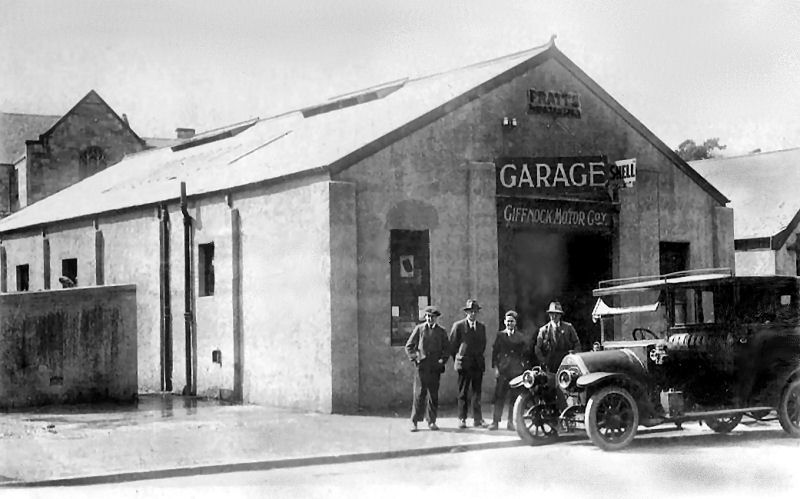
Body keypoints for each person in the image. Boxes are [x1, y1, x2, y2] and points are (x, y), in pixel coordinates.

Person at [405, 305, 450, 432]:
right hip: (422, 367)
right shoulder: (419, 329)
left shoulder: (441, 331)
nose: (430, 319)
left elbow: (447, 348)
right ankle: (414, 422)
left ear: (436, 318)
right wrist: (415, 358)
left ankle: (431, 421)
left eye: (433, 317)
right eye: (428, 317)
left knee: (433, 395)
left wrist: (442, 360)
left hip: (435, 368)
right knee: (419, 394)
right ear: (425, 317)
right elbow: (409, 346)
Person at [489, 310, 535, 430]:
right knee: (499, 396)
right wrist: (496, 368)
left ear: (515, 323)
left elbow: (525, 354)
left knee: (514, 398)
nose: (509, 323)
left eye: (512, 321)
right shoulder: (500, 335)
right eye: (508, 321)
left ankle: (511, 422)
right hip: (503, 370)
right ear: (504, 322)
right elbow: (495, 353)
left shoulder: (520, 337)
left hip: (516, 371)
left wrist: (523, 367)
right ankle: (495, 422)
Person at [449, 299, 487, 429]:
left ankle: (477, 419)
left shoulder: (481, 327)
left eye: (475, 311)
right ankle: (462, 418)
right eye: (470, 311)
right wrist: (458, 360)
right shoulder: (458, 326)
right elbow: (452, 346)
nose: (473, 314)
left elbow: (483, 345)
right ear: (466, 312)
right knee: (463, 393)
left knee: (477, 392)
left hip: (477, 365)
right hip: (464, 365)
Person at [535, 301, 581, 373]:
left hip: (566, 363)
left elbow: (577, 343)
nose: (554, 316)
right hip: (550, 365)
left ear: (560, 315)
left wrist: (573, 355)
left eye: (557, 314)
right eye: (552, 314)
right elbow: (537, 348)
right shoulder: (543, 330)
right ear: (549, 315)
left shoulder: (568, 327)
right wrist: (543, 361)